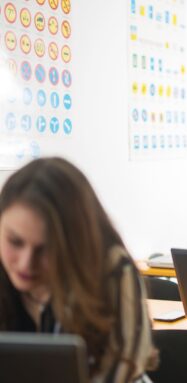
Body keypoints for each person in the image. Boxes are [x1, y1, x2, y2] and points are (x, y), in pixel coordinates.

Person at [0, 157, 157, 382]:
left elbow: (117, 374)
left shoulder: (111, 271)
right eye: (15, 242)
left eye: (45, 249)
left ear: (73, 244)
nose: (26, 263)